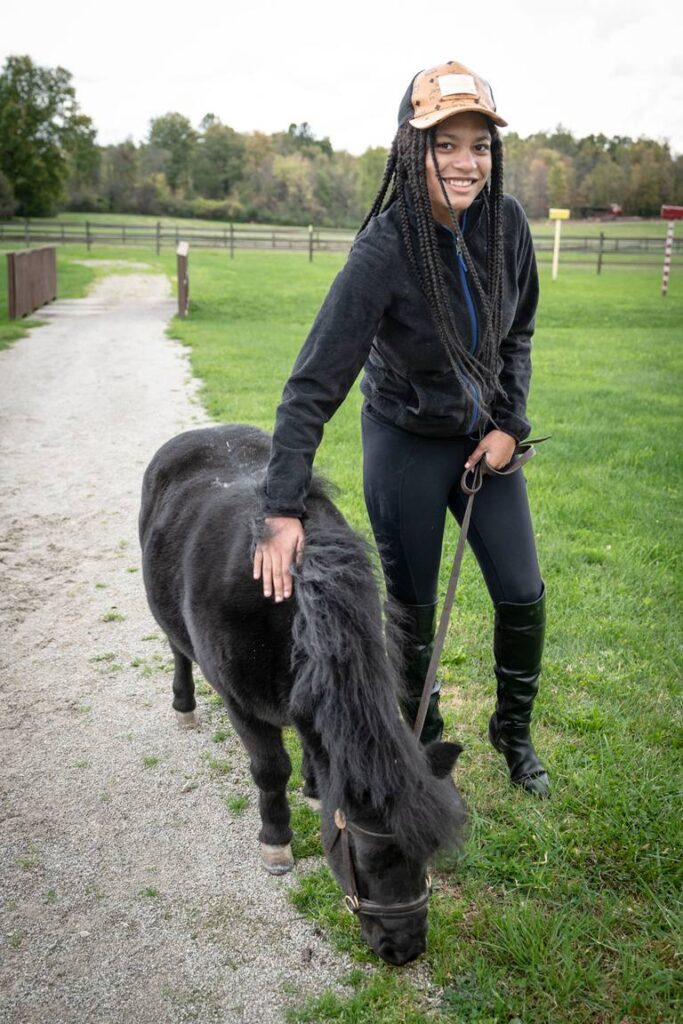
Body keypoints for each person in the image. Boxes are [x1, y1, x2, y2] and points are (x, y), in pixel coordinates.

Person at [253, 60, 549, 798]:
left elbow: (518, 334)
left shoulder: (506, 223)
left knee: (521, 591)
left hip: (485, 442)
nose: (464, 162)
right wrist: (282, 505)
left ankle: (512, 735)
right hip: (405, 442)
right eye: (443, 143)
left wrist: (509, 423)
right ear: (409, 148)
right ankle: (422, 739)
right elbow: (313, 382)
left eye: (478, 144)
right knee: (411, 611)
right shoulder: (383, 250)